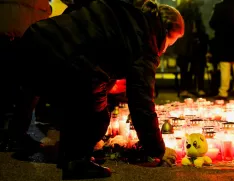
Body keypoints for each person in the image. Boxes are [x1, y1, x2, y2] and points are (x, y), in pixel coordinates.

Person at [13, 0, 184, 179]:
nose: (166, 50)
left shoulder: (126, 11)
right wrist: (157, 149)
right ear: (166, 32)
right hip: (70, 58)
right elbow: (141, 99)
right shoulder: (148, 39)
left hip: (38, 35)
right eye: (172, 43)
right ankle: (76, 162)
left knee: (42, 89)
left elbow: (80, 14)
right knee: (97, 115)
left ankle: (22, 139)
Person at [0, 0, 51, 149]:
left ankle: (17, 133)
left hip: (29, 31)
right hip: (14, 31)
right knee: (18, 85)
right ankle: (14, 134)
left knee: (30, 86)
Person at [209, 0, 234, 100]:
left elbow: (212, 23)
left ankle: (223, 92)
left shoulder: (219, 7)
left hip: (224, 41)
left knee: (225, 68)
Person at [174, 0, 206, 97]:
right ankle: (189, 88)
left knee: (188, 68)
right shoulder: (191, 11)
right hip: (188, 44)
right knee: (187, 68)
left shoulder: (183, 11)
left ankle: (187, 88)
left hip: (187, 44)